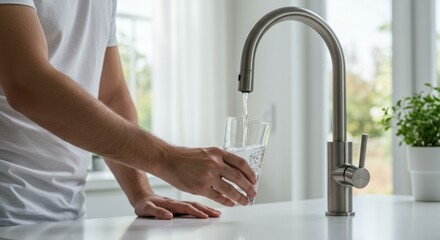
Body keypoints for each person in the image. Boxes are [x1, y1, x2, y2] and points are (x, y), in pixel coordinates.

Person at [0, 0, 256, 226]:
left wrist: (140, 191)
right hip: (8, 210)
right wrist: (168, 159)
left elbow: (111, 95)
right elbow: (27, 82)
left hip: (68, 215)